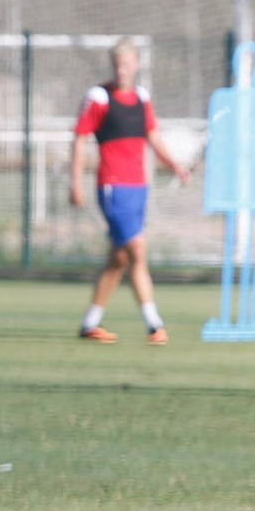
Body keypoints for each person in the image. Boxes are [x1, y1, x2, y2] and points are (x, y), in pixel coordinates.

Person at [70, 38, 190, 344]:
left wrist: (175, 165)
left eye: (126, 64)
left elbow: (154, 137)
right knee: (137, 249)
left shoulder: (142, 97)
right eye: (116, 65)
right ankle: (155, 325)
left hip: (139, 187)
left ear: (136, 64)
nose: (121, 70)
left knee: (120, 258)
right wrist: (76, 183)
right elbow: (80, 139)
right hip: (113, 187)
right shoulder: (99, 97)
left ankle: (90, 323)